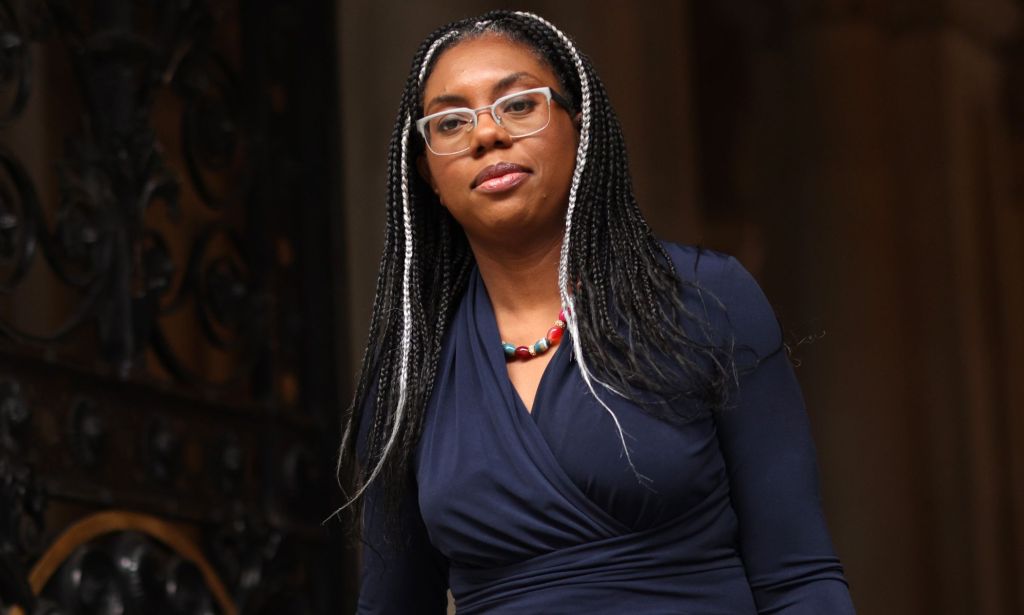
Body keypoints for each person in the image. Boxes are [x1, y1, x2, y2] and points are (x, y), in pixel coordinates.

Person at [335, 10, 856, 614]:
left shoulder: (706, 297)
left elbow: (798, 578)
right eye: (450, 122)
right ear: (427, 173)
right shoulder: (410, 371)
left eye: (519, 105)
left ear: (578, 126)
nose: (486, 135)